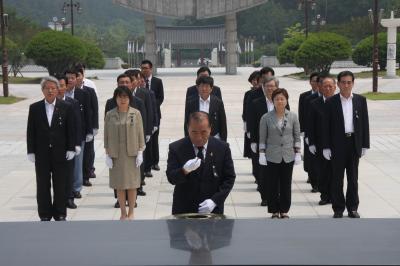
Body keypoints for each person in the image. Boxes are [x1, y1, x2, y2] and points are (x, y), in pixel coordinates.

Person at [166, 112, 236, 215]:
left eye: (203, 132)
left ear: (210, 129)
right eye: (194, 132)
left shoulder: (222, 148)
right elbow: (171, 178)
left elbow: (229, 178)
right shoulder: (176, 148)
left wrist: (214, 201)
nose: (199, 137)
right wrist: (184, 171)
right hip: (184, 209)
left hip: (212, 210)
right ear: (187, 128)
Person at [27, 76, 76, 221]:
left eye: (53, 88)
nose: (50, 91)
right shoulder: (35, 108)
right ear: (42, 90)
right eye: (47, 88)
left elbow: (70, 129)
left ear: (58, 90)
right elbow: (31, 131)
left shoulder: (66, 107)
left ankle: (60, 213)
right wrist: (31, 150)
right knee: (42, 185)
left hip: (60, 152)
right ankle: (45, 214)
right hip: (41, 153)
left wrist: (71, 148)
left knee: (60, 184)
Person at [322, 71, 369, 219]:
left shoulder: (360, 100)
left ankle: (353, 208)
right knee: (337, 178)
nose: (346, 85)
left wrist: (365, 144)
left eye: (349, 82)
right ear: (339, 84)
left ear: (353, 83)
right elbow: (325, 126)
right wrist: (326, 146)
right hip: (337, 144)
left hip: (354, 142)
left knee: (353, 178)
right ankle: (338, 208)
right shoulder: (331, 102)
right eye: (343, 82)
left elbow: (364, 124)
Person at [104, 74, 147, 208]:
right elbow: (106, 134)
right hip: (116, 154)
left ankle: (131, 211)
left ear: (129, 98)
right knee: (119, 184)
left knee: (133, 184)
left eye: (125, 97)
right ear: (115, 98)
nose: (122, 100)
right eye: (119, 97)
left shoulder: (136, 113)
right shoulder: (110, 114)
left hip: (132, 153)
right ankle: (123, 211)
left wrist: (141, 151)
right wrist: (107, 153)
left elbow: (140, 132)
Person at [258, 88, 301, 219]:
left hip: (288, 155)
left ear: (286, 100)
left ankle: (284, 210)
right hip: (272, 155)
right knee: (272, 184)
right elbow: (262, 137)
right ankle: (274, 210)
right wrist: (261, 153)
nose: (280, 101)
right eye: (277, 99)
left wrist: (298, 152)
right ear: (273, 101)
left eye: (282, 98)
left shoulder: (293, 116)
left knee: (286, 184)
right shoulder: (266, 117)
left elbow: (296, 136)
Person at [247, 76, 280, 206]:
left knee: (277, 170)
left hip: (278, 142)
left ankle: (276, 194)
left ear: (277, 87)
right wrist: (253, 141)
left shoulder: (282, 101)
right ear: (263, 87)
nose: (270, 88)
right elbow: (252, 123)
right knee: (263, 171)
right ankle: (265, 196)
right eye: (267, 86)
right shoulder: (256, 103)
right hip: (262, 142)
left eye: (272, 86)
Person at [307, 76, 336, 206]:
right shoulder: (314, 104)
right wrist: (311, 142)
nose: (328, 88)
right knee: (323, 171)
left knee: (336, 172)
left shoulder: (339, 102)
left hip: (337, 143)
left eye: (331, 86)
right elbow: (310, 125)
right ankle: (325, 195)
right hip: (319, 143)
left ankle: (335, 195)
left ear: (335, 87)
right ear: (320, 88)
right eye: (325, 86)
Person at [65, 68, 93, 199]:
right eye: (67, 78)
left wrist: (89, 131)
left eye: (72, 78)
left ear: (77, 79)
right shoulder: (60, 94)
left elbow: (88, 113)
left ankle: (76, 188)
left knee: (77, 162)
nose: (70, 80)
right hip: (63, 135)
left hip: (79, 133)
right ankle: (65, 187)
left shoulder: (83, 94)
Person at [56, 75, 82, 209]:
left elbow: (77, 125)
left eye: (61, 86)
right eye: (57, 86)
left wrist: (76, 144)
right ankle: (59, 199)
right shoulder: (48, 104)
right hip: (54, 146)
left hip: (69, 145)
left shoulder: (73, 103)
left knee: (69, 172)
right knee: (57, 174)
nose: (59, 89)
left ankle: (69, 198)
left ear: (66, 87)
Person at [184, 76, 227, 141]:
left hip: (214, 137)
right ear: (197, 88)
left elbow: (223, 122)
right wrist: (187, 139)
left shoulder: (218, 102)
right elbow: (187, 122)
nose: (204, 89)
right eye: (201, 86)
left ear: (211, 88)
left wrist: (224, 141)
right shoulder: (191, 102)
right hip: (196, 138)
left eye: (207, 86)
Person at [76, 66, 99, 187]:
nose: (74, 79)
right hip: (74, 129)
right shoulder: (67, 92)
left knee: (88, 153)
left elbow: (94, 109)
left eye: (78, 75)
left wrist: (94, 127)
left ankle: (86, 175)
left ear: (82, 76)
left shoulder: (89, 90)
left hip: (87, 128)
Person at [141, 59, 164, 173]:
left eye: (146, 68)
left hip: (155, 115)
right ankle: (147, 165)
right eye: (142, 68)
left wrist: (152, 106)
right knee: (146, 141)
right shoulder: (139, 81)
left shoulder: (157, 81)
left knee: (154, 139)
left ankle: (155, 162)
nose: (144, 70)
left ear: (151, 69)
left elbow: (161, 97)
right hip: (142, 115)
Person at [298, 72, 319, 189]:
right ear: (310, 82)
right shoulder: (304, 96)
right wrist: (302, 129)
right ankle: (310, 175)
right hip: (308, 130)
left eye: (317, 81)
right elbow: (302, 113)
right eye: (313, 81)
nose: (315, 83)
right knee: (309, 155)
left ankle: (316, 178)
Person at [242, 71, 261, 161]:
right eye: (253, 80)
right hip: (250, 123)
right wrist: (245, 122)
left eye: (258, 80)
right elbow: (245, 109)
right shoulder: (248, 94)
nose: (255, 82)